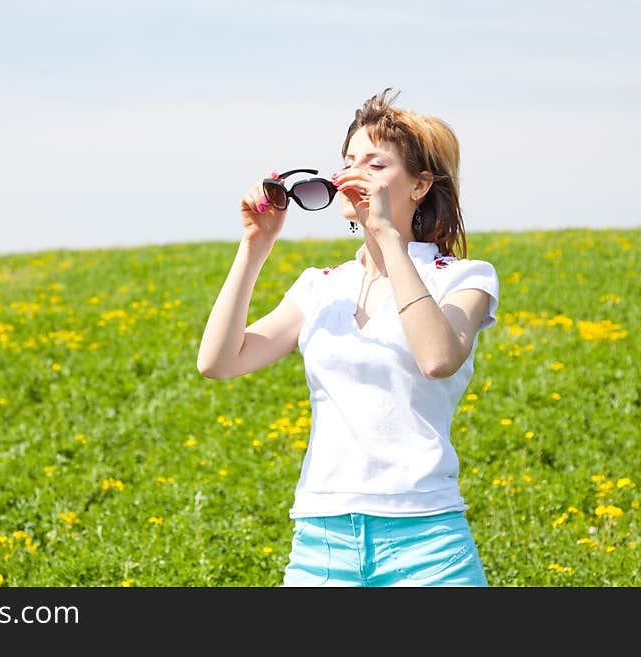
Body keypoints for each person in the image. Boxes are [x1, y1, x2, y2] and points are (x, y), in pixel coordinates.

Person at [196, 88, 499, 587]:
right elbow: (220, 362)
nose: (354, 175)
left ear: (420, 185)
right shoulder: (321, 285)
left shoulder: (463, 278)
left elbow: (438, 358)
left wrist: (384, 233)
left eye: (376, 165)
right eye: (348, 162)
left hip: (427, 542)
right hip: (322, 542)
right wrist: (254, 246)